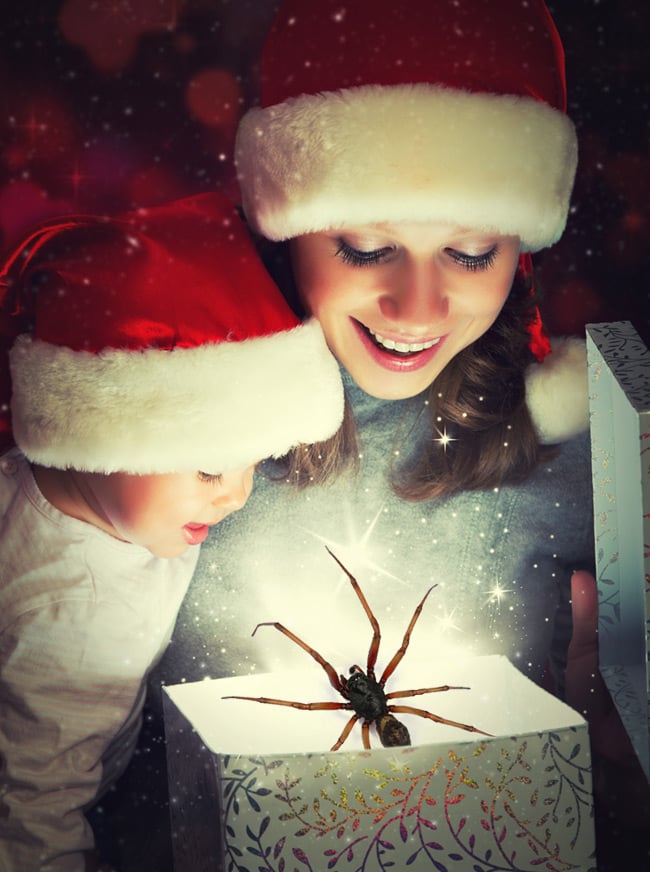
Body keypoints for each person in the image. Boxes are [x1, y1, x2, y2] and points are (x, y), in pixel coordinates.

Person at [141, 0, 599, 868]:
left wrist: (618, 779)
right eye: (362, 245)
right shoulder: (172, 455)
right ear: (284, 224)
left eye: (470, 253)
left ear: (525, 246)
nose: (416, 309)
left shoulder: (588, 458)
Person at [0, 191, 344, 871]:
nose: (239, 495)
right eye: (213, 466)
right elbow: (33, 807)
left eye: (256, 460)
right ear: (100, 428)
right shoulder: (86, 618)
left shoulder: (35, 481)